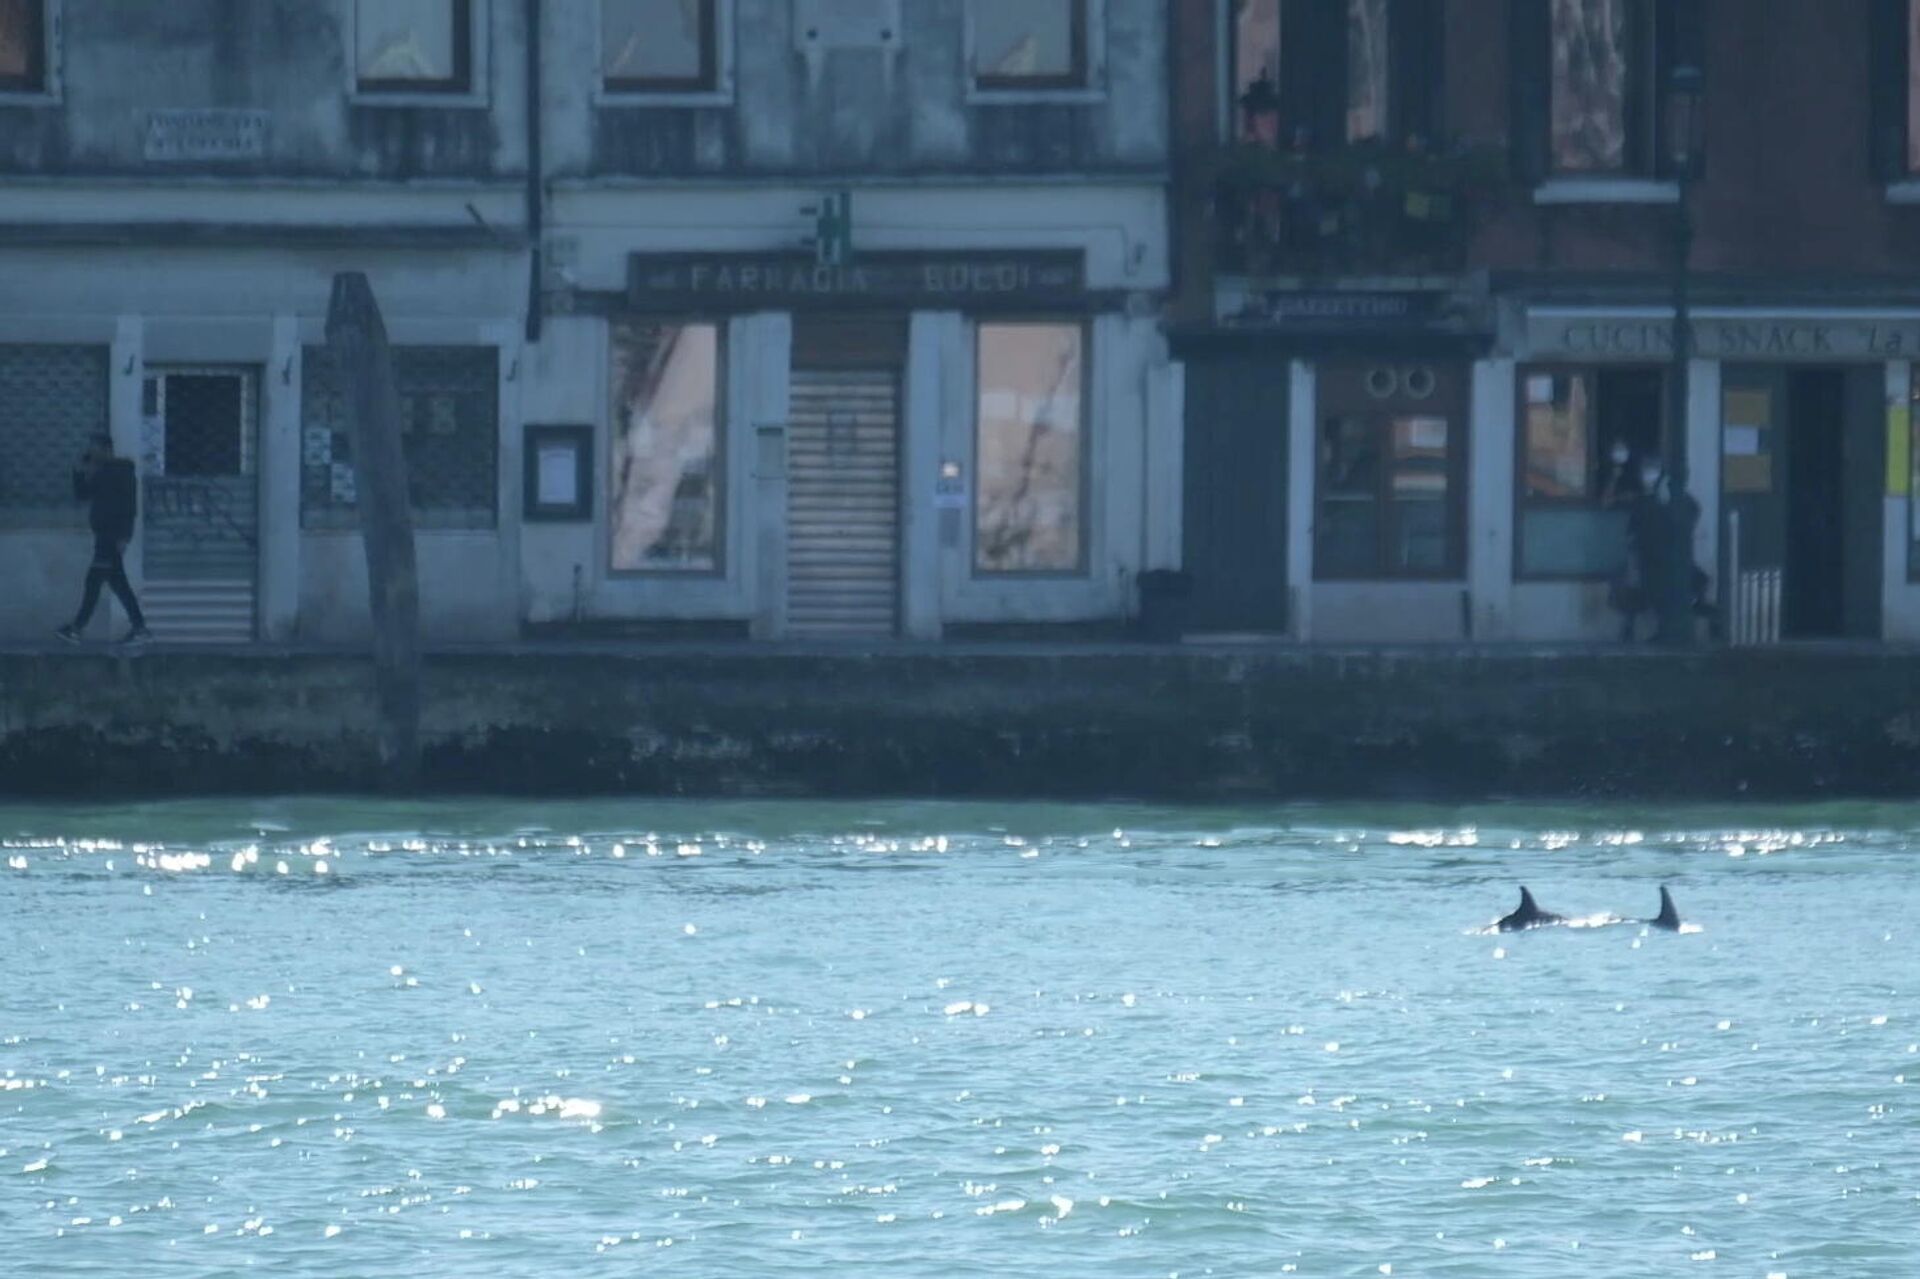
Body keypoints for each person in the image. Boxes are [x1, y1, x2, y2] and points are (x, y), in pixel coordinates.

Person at [55, 434, 151, 646]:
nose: (91, 452)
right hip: (104, 535)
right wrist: (78, 472)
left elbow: (129, 507)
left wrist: (125, 536)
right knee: (118, 583)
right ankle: (139, 628)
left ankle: (77, 629)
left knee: (94, 581)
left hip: (111, 536)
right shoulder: (100, 473)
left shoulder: (123, 471)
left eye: (94, 448)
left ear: (106, 449)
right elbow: (83, 495)